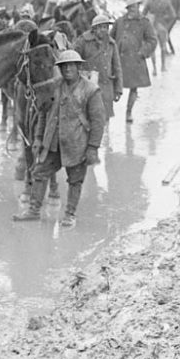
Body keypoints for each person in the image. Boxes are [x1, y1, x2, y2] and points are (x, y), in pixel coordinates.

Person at [12, 50, 105, 227]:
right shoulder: (53, 86)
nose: (68, 69)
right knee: (39, 172)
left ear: (78, 67)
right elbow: (42, 114)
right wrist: (38, 138)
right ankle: (33, 211)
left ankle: (70, 214)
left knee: (75, 180)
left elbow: (98, 122)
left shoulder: (91, 90)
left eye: (71, 65)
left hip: (77, 143)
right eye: (64, 66)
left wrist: (92, 147)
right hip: (52, 143)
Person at [110, 0, 157, 123]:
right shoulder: (119, 22)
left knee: (134, 88)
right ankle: (108, 113)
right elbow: (110, 38)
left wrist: (143, 52)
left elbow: (152, 40)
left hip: (135, 61)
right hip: (119, 60)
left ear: (138, 6)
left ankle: (129, 112)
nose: (132, 9)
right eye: (130, 7)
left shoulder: (144, 22)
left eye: (134, 6)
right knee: (110, 85)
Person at [72, 14, 123, 122]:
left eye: (105, 27)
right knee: (88, 118)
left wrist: (118, 89)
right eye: (99, 27)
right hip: (88, 86)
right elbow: (73, 61)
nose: (103, 30)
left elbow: (117, 67)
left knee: (105, 119)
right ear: (94, 29)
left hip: (106, 86)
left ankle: (105, 139)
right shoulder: (83, 41)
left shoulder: (111, 44)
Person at [142, 0, 177, 71]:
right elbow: (173, 15)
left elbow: (143, 14)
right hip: (162, 26)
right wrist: (166, 21)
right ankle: (163, 66)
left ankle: (154, 68)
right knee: (163, 47)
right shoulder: (166, 2)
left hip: (152, 26)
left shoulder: (150, 1)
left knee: (153, 48)